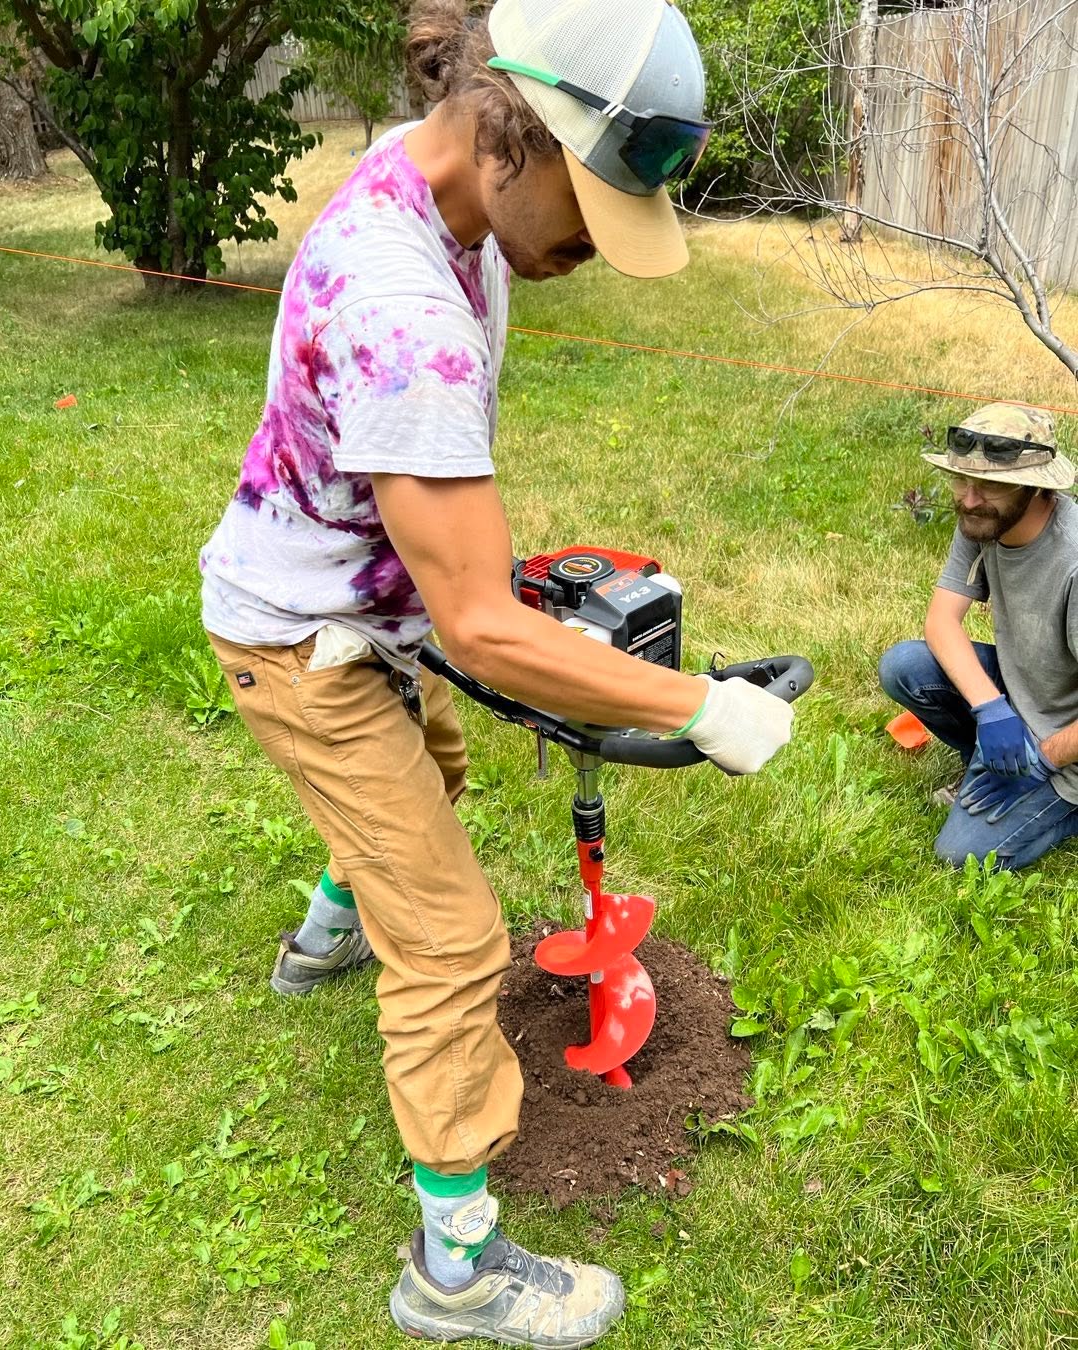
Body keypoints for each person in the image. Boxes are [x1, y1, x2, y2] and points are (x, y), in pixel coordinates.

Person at [199, 0, 795, 1342]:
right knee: (457, 934)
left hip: (355, 603)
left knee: (434, 772)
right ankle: (452, 1268)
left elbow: (449, 547)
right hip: (300, 641)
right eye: (587, 216)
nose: (588, 251)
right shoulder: (404, 307)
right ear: (512, 136)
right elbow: (478, 628)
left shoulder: (450, 194)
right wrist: (699, 703)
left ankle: (325, 931)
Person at [879, 402, 1078, 872]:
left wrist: (1045, 760)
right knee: (905, 666)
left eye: (989, 484)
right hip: (1025, 695)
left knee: (958, 855)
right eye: (963, 480)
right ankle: (992, 763)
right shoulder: (987, 518)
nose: (969, 499)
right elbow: (942, 621)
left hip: (1069, 741)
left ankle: (1059, 802)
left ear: (1036, 488)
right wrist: (993, 711)